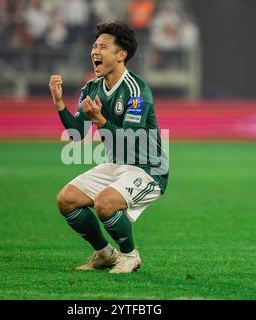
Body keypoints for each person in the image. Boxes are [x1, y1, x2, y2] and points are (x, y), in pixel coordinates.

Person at [49, 21, 169, 273]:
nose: (95, 51)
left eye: (103, 47)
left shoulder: (137, 90)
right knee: (66, 200)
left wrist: (100, 120)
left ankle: (129, 255)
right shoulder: (91, 88)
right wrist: (59, 103)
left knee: (105, 203)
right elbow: (76, 134)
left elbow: (129, 138)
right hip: (117, 165)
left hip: (149, 170)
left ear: (120, 55)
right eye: (94, 46)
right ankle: (104, 253)